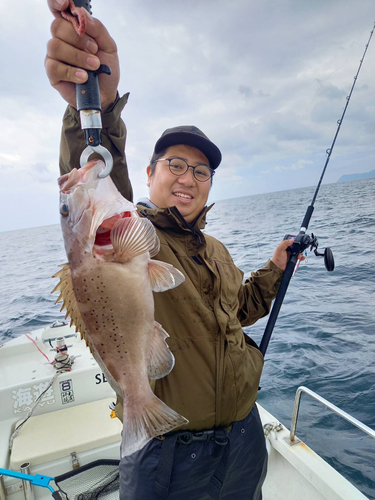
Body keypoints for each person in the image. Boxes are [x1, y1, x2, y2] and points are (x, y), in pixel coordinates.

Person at [45, 3, 298, 499]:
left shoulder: (217, 250)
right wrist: (93, 106)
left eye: (201, 172)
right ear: (148, 172)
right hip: (170, 455)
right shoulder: (134, 236)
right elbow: (93, 177)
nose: (188, 179)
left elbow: (237, 311)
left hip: (244, 440)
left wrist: (275, 270)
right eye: (175, 164)